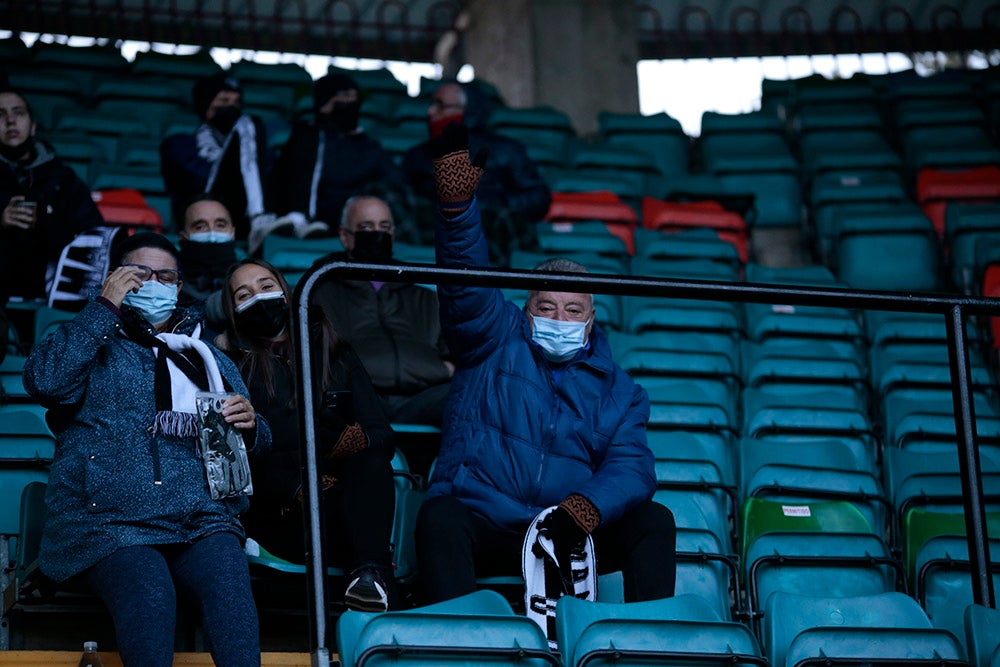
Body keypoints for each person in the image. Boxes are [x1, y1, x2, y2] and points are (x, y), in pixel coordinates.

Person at [414, 124, 676, 606]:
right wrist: (457, 213)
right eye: (546, 307)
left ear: (592, 319)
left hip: (568, 531)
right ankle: (451, 643)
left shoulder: (621, 391)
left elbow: (633, 466)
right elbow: (465, 286)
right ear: (525, 307)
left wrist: (586, 507)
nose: (560, 318)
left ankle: (648, 643)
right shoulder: (495, 338)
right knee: (439, 517)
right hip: (487, 519)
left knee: (653, 520)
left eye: (573, 310)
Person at [22, 232, 270, 667]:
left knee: (228, 581)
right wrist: (103, 307)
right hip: (108, 519)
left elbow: (256, 438)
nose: (154, 283)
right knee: (150, 589)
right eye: (140, 274)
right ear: (117, 278)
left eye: (165, 275)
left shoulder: (207, 355)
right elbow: (45, 381)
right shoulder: (88, 341)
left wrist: (251, 425)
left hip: (199, 516)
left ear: (179, 286)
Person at [218, 258, 397, 612]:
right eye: (244, 294)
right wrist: (301, 481)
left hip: (346, 506)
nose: (258, 297)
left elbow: (383, 437)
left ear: (285, 291)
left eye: (266, 286)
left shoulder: (335, 350)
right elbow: (242, 456)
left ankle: (369, 580)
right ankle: (374, 582)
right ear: (232, 310)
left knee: (372, 464)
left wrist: (344, 442)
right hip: (284, 515)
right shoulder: (230, 364)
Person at [312, 194, 453, 427]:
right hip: (358, 402)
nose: (377, 233)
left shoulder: (425, 298)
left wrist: (442, 369)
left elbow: (454, 354)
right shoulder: (320, 291)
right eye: (366, 226)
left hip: (421, 398)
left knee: (474, 394)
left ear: (393, 235)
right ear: (345, 236)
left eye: (384, 226)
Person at [401, 80, 552, 263]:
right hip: (438, 235)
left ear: (468, 110)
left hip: (495, 237)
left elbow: (538, 198)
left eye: (440, 106)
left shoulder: (506, 150)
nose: (430, 112)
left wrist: (493, 203)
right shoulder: (418, 156)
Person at [160, 73, 287, 253]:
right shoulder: (179, 145)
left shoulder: (263, 152)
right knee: (249, 123)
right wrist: (233, 159)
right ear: (206, 104)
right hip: (202, 212)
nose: (231, 106)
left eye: (236, 102)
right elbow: (196, 181)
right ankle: (259, 217)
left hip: (240, 220)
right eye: (224, 100)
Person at [270, 72, 405, 239]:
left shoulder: (370, 147)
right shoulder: (308, 137)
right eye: (345, 96)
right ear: (325, 104)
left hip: (351, 215)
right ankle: (300, 219)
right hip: (310, 216)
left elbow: (395, 181)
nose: (352, 102)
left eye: (355, 97)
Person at [0, 88, 104, 305]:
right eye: (0, 114)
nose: (10, 121)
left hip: (52, 297)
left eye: (18, 112)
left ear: (33, 125)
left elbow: (92, 234)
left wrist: (49, 222)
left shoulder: (62, 178)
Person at [176, 194, 243, 331]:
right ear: (183, 237)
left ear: (233, 233)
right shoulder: (169, 284)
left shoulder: (248, 281)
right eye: (200, 227)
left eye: (220, 225)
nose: (212, 235)